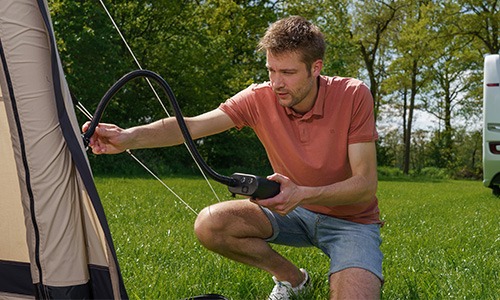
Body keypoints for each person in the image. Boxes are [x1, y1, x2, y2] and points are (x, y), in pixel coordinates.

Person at [83, 16, 383, 300]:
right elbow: (192, 126)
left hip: (351, 222)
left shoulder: (353, 95)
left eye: (288, 73)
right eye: (271, 70)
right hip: (291, 211)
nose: (276, 83)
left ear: (315, 68)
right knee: (211, 224)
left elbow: (365, 185)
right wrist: (128, 138)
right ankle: (293, 280)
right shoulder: (260, 97)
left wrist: (303, 194)